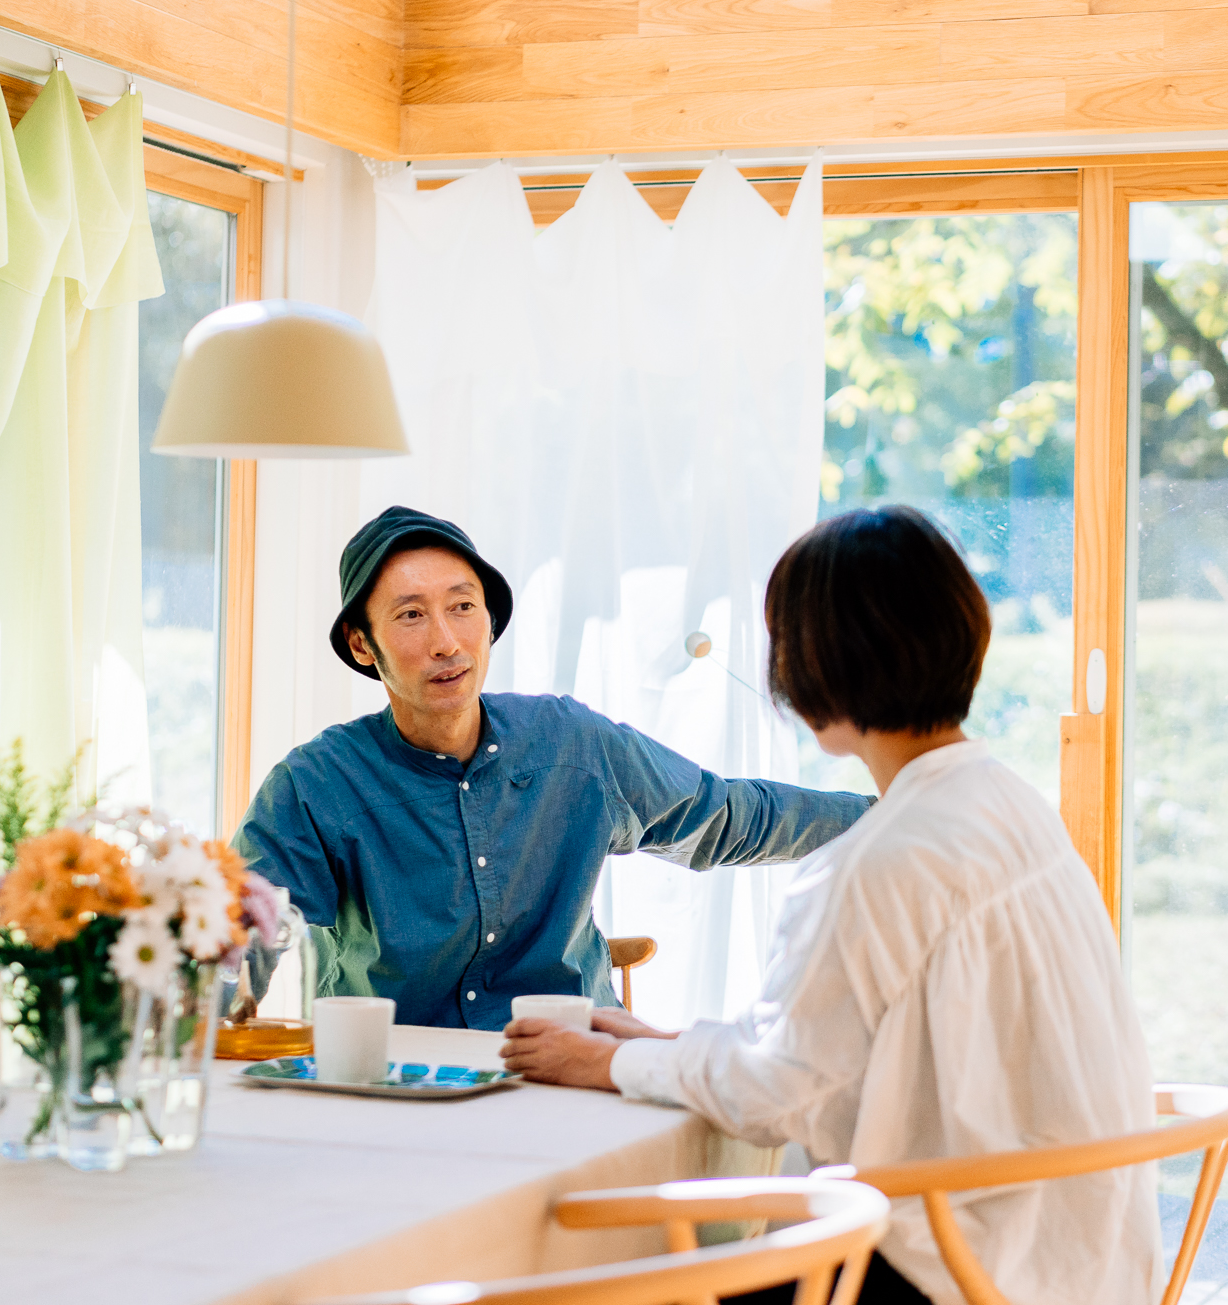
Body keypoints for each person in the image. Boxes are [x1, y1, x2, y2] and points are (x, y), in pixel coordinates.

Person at [501, 506, 1159, 1305]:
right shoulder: (1010, 805)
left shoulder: (877, 863)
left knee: (612, 1274)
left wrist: (614, 1062)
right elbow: (843, 1048)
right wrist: (674, 1045)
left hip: (949, 1269)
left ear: (816, 668)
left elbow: (777, 1097)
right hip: (1079, 1261)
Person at [233, 505, 873, 1030]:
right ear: (361, 644)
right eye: (410, 615)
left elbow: (728, 817)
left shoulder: (572, 744)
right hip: (401, 1085)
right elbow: (235, 926)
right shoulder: (316, 785)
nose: (446, 642)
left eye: (462, 606)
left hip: (575, 1068)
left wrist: (886, 815)